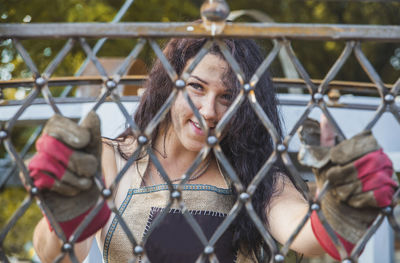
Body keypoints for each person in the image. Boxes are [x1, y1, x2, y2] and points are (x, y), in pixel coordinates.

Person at [29, 38, 397, 263]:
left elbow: (311, 234)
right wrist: (67, 211)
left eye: (228, 98)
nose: (209, 111)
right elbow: (54, 255)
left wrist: (345, 206)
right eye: (196, 87)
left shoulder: (259, 175)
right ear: (168, 86)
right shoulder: (111, 158)